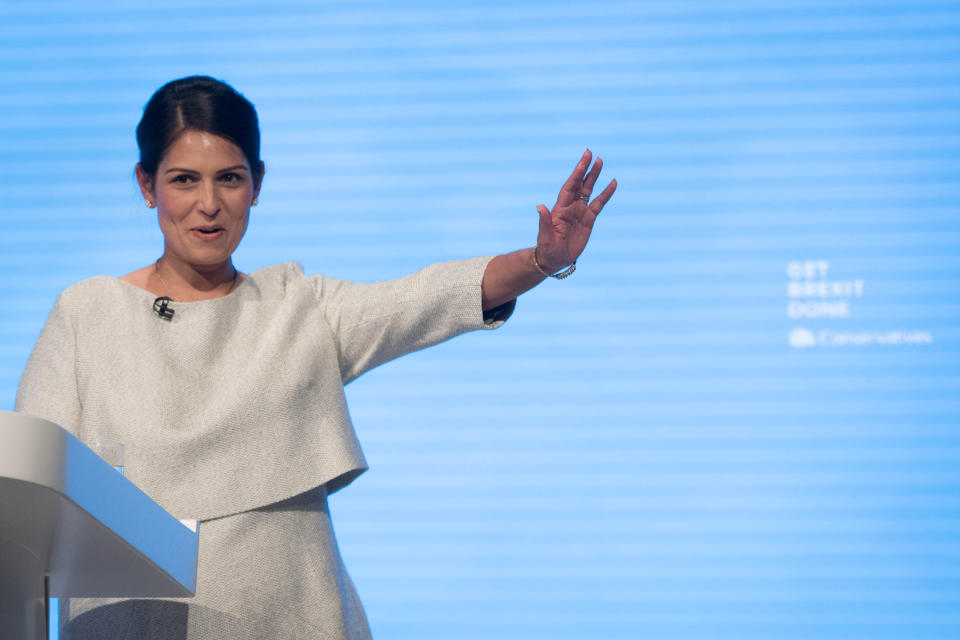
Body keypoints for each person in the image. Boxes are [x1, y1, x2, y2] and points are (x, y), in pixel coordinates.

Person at [15, 75, 616, 639]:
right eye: (183, 180)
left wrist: (539, 260)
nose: (209, 204)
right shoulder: (86, 314)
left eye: (229, 178)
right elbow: (23, 503)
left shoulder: (295, 305)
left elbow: (421, 299)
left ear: (258, 183)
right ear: (146, 186)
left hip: (293, 613)